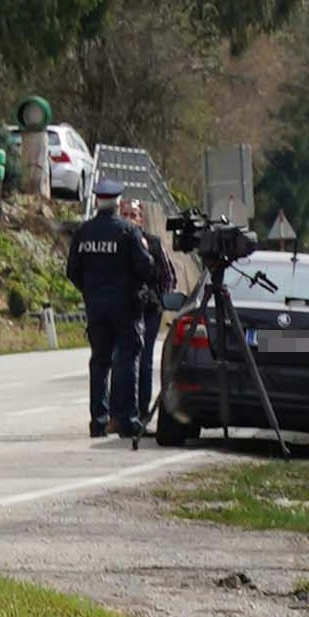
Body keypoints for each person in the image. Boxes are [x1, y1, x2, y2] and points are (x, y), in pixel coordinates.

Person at [65, 178, 149, 437]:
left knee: (100, 362)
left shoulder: (83, 232)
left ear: (97, 200)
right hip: (125, 306)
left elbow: (72, 270)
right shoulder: (128, 231)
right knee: (128, 360)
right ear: (117, 203)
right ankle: (127, 419)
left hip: (96, 306)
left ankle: (98, 421)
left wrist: (90, 291)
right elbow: (145, 266)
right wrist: (135, 286)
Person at [122, 198, 173, 429]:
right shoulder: (117, 242)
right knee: (122, 360)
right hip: (123, 308)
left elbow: (168, 276)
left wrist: (160, 299)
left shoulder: (153, 243)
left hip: (149, 309)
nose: (129, 219)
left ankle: (142, 412)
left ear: (141, 219)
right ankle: (121, 413)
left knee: (144, 360)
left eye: (133, 215)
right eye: (125, 214)